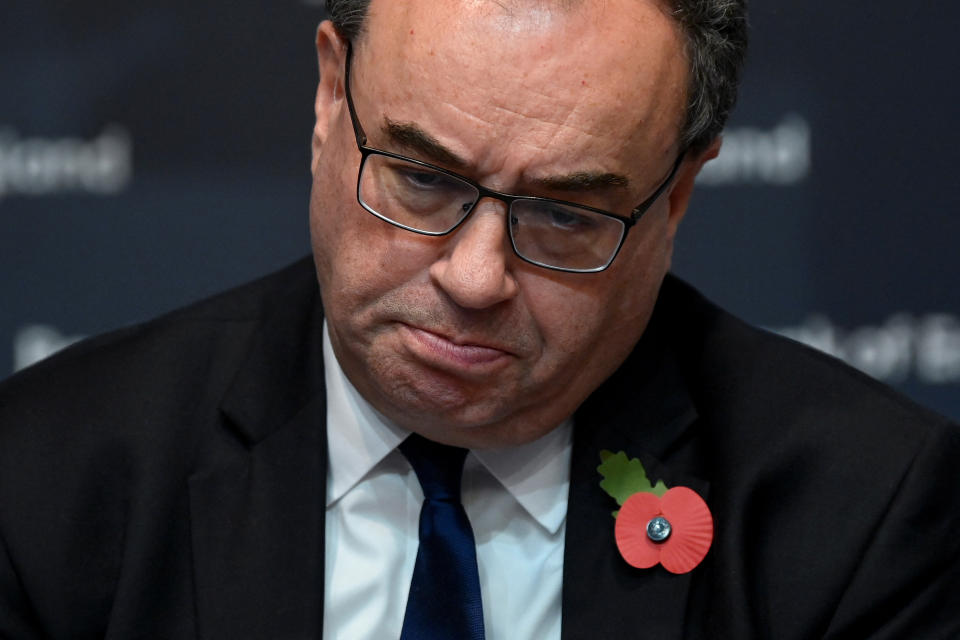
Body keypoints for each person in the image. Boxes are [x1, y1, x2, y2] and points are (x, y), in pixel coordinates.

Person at [1, 0, 958, 638]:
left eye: (566, 214)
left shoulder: (863, 518)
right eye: (421, 179)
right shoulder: (45, 481)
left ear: (677, 197)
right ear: (332, 96)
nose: (475, 277)